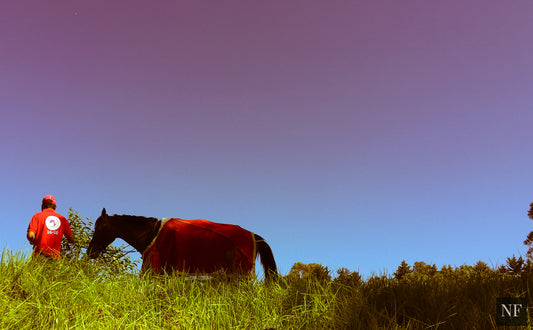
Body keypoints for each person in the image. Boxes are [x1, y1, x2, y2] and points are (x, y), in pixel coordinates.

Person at [27, 195, 75, 259]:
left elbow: (30, 235)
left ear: (42, 205)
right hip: (55, 258)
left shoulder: (37, 216)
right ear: (55, 207)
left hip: (39, 256)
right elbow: (71, 239)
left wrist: (32, 240)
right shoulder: (63, 219)